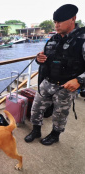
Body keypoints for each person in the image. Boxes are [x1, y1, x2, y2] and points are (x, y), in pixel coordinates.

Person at [24, 4, 85, 145]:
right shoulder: (53, 40)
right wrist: (39, 59)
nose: (56, 25)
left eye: (60, 21)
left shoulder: (82, 40)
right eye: (55, 22)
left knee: (60, 114)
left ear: (73, 19)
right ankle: (36, 130)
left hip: (66, 86)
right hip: (47, 82)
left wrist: (79, 81)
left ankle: (55, 135)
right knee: (36, 108)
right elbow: (45, 60)